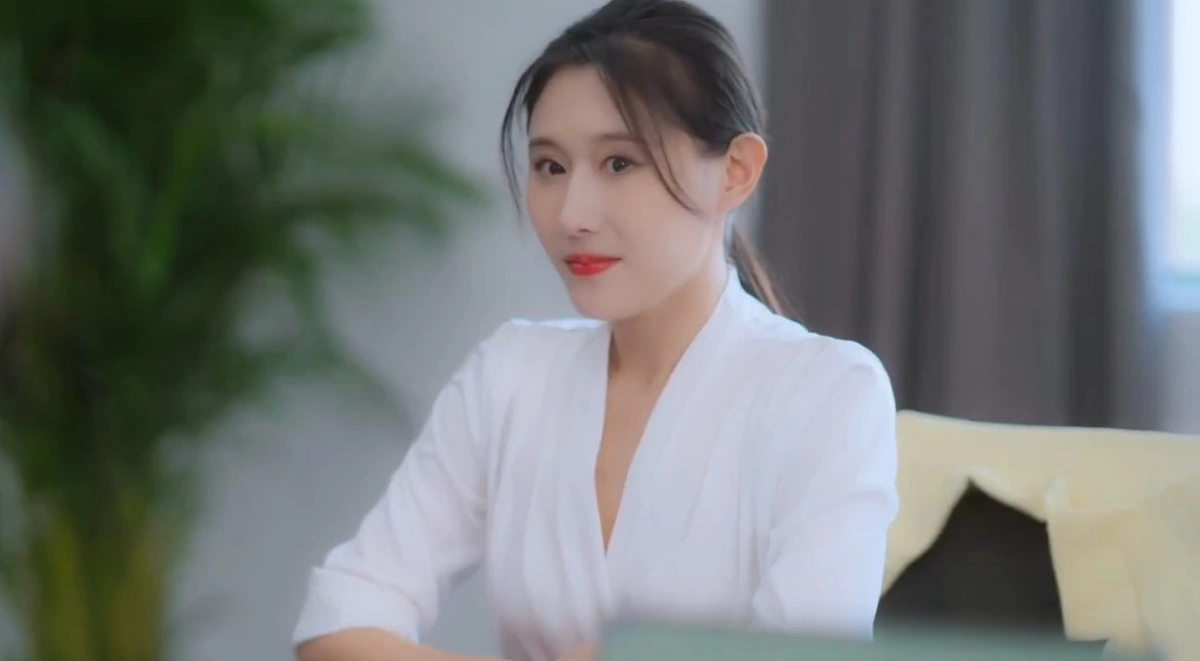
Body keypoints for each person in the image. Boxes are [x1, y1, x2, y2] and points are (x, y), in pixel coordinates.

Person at [293, 1, 898, 660]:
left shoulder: (829, 393)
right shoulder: (512, 375)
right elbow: (336, 623)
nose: (573, 215)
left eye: (619, 164)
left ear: (736, 171)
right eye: (551, 167)